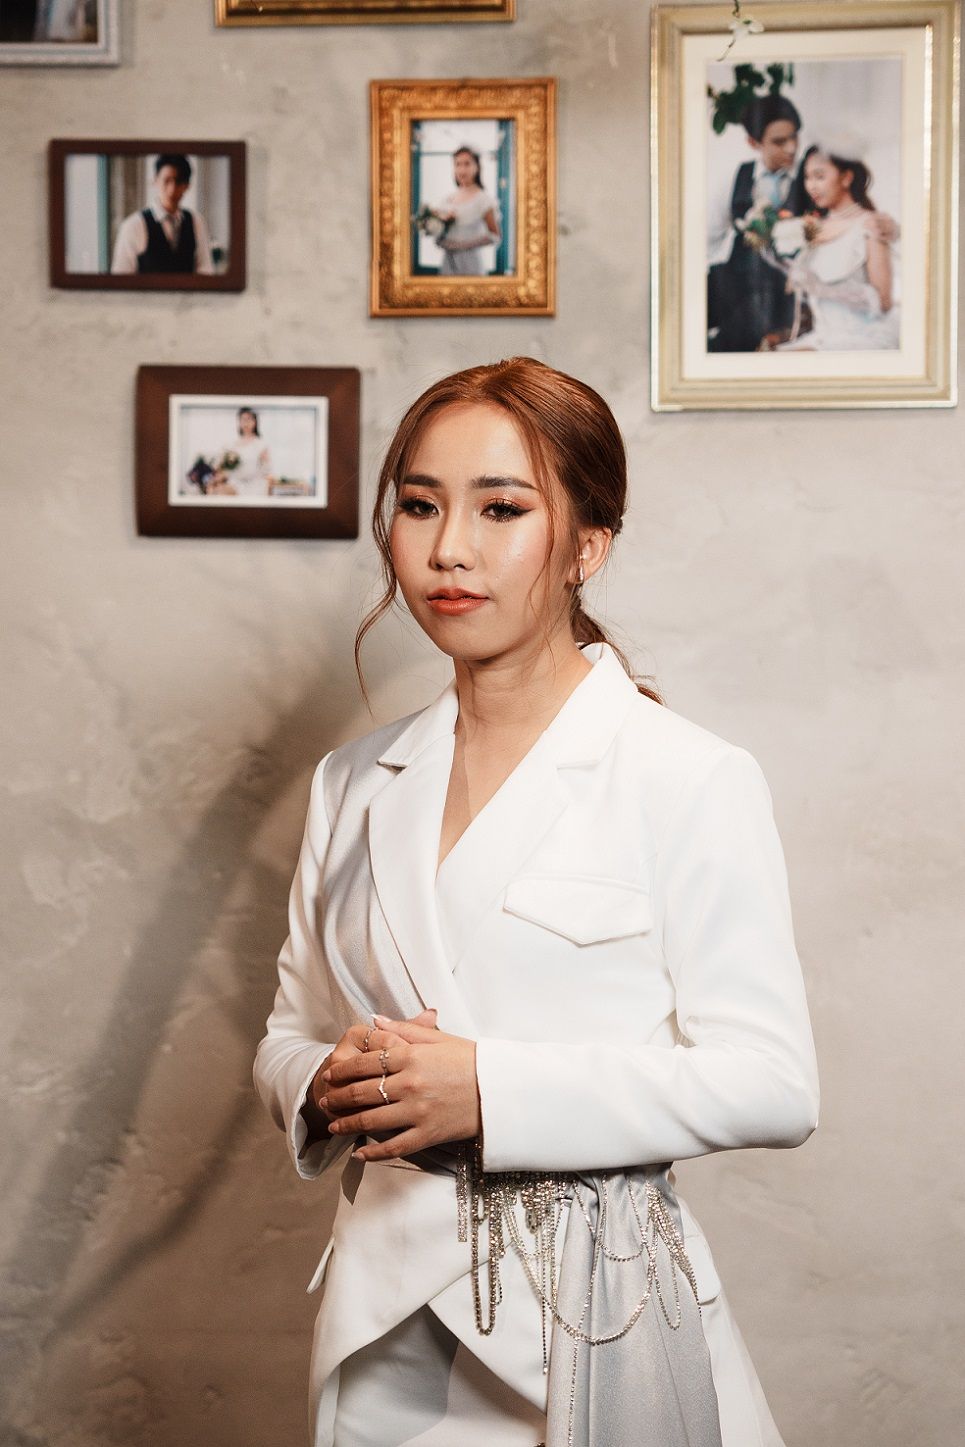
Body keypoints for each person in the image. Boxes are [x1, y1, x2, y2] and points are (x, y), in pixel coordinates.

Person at [254, 357, 820, 1447]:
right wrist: (322, 1083)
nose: (447, 549)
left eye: (501, 508)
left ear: (586, 545)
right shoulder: (350, 782)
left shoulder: (686, 775)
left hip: (595, 1319)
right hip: (379, 1327)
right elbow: (285, 1034)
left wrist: (489, 1089)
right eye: (419, 505)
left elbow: (773, 1082)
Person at [777, 140, 900, 352]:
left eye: (819, 176)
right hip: (821, 337)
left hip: (863, 338)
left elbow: (883, 302)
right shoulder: (813, 229)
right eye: (807, 177)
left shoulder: (871, 226)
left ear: (846, 178)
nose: (811, 186)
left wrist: (821, 288)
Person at [707, 94, 807, 352]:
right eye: (779, 141)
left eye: (794, 137)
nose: (791, 148)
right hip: (738, 284)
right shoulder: (736, 176)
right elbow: (708, 237)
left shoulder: (810, 179)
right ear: (754, 142)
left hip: (785, 295)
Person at [110, 154, 214, 276]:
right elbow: (121, 278)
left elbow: (205, 271)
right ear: (155, 180)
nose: (172, 189)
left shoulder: (196, 222)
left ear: (186, 186)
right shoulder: (134, 225)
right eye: (167, 180)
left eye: (179, 182)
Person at [429, 145, 502, 276]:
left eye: (467, 164)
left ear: (477, 167)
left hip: (471, 267)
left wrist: (462, 245)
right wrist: (437, 236)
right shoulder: (447, 200)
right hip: (447, 266)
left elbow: (495, 236)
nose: (462, 169)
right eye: (458, 164)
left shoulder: (484, 199)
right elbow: (438, 232)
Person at [206, 407, 274, 497]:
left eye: (249, 419)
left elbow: (267, 471)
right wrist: (217, 478)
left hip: (254, 485)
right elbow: (226, 468)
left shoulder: (261, 445)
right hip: (235, 483)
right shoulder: (232, 445)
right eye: (243, 420)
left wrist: (265, 462)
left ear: (255, 422)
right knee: (214, 491)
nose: (246, 423)